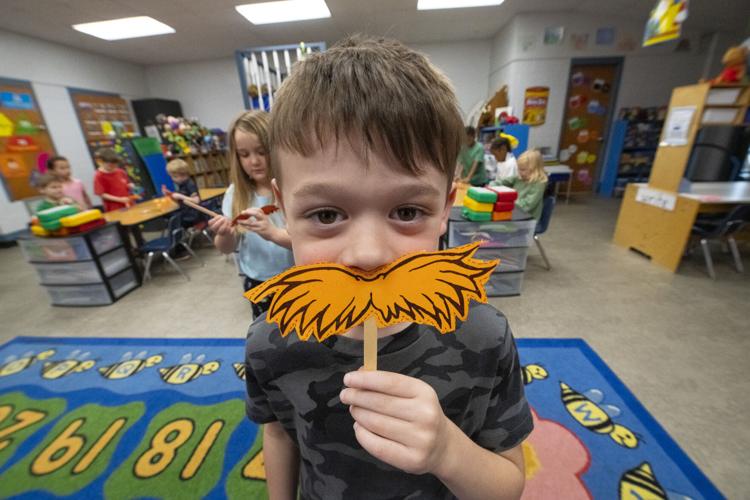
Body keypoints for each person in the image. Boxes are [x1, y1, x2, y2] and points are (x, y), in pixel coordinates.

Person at [245, 36, 532, 500]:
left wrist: (447, 452)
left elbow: (508, 485)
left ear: (445, 207)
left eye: (406, 212)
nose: (369, 254)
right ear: (282, 209)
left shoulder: (485, 337)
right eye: (326, 215)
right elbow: (279, 433)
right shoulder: (269, 342)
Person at [207, 111, 294, 318]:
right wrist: (224, 234)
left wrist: (273, 233)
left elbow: (309, 242)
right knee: (266, 340)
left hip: (296, 279)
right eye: (244, 155)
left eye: (261, 151)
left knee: (302, 339)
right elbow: (227, 248)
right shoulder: (236, 193)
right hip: (257, 281)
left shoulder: (293, 189)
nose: (254, 161)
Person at [493, 149, 548, 219]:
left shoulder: (539, 184)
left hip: (528, 218)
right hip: (515, 212)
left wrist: (507, 202)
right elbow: (503, 181)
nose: (520, 172)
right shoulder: (520, 178)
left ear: (534, 169)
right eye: (518, 169)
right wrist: (491, 186)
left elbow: (527, 205)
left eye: (523, 170)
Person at [166, 159, 201, 228]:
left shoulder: (190, 184)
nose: (173, 179)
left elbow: (196, 201)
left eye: (174, 177)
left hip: (192, 215)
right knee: (169, 216)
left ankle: (178, 236)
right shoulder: (182, 183)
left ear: (182, 175)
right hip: (187, 211)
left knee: (171, 218)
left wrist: (180, 196)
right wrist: (170, 195)